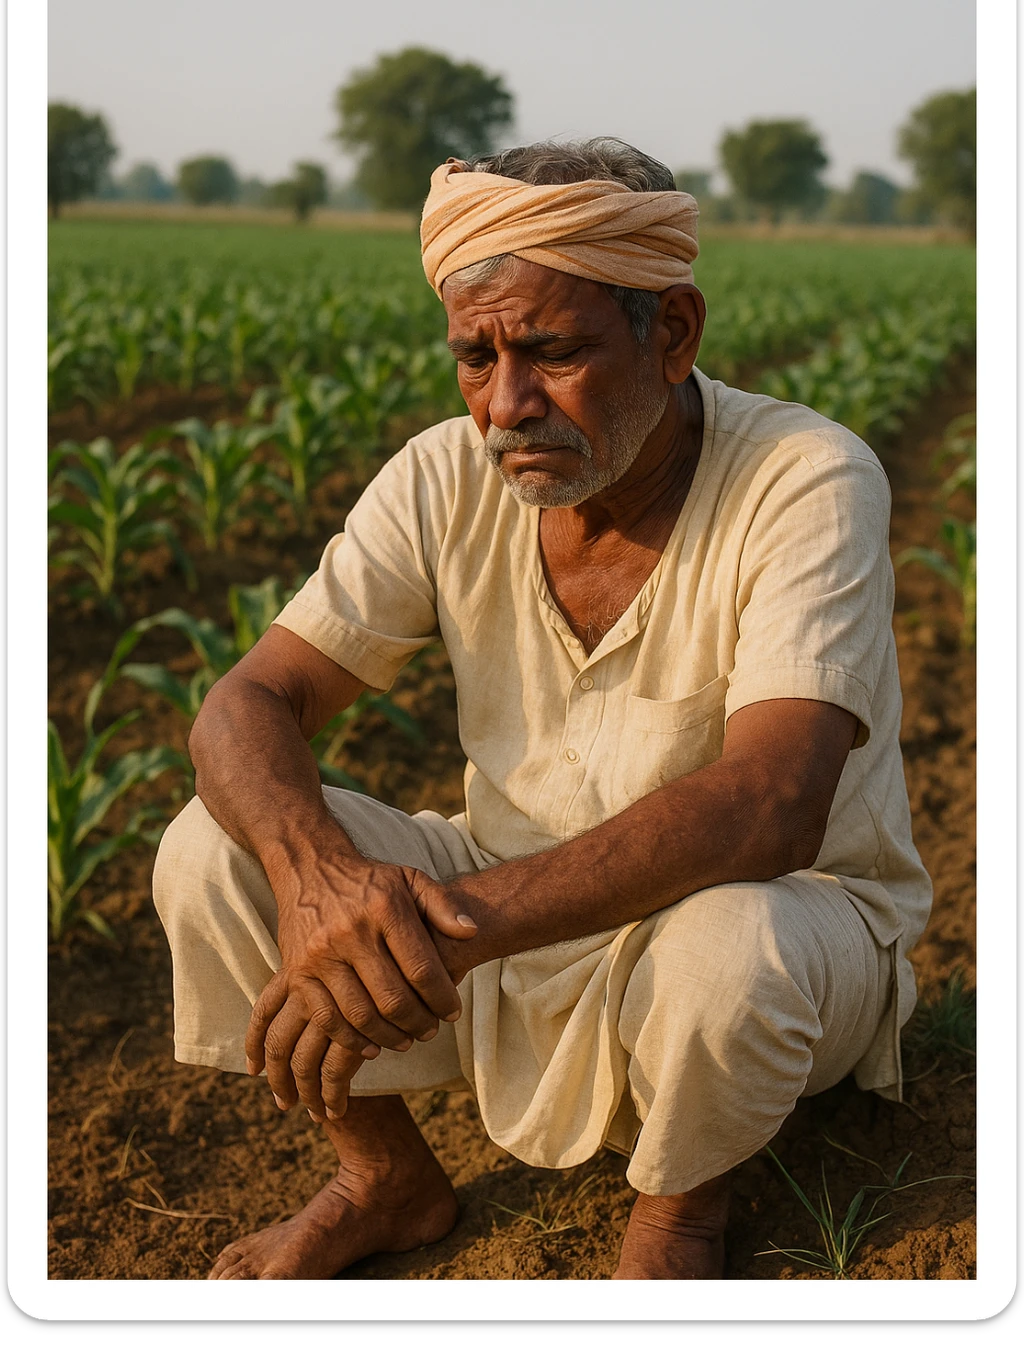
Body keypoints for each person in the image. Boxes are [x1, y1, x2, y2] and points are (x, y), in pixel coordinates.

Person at [153, 138, 932, 1281]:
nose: (506, 405)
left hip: (764, 926)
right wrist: (316, 879)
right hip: (506, 906)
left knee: (733, 953)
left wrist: (434, 927)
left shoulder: (801, 476)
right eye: (475, 358)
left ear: (671, 333)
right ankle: (383, 1178)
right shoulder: (442, 477)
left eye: (554, 352)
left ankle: (679, 1216)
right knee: (212, 848)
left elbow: (772, 801)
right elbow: (248, 701)